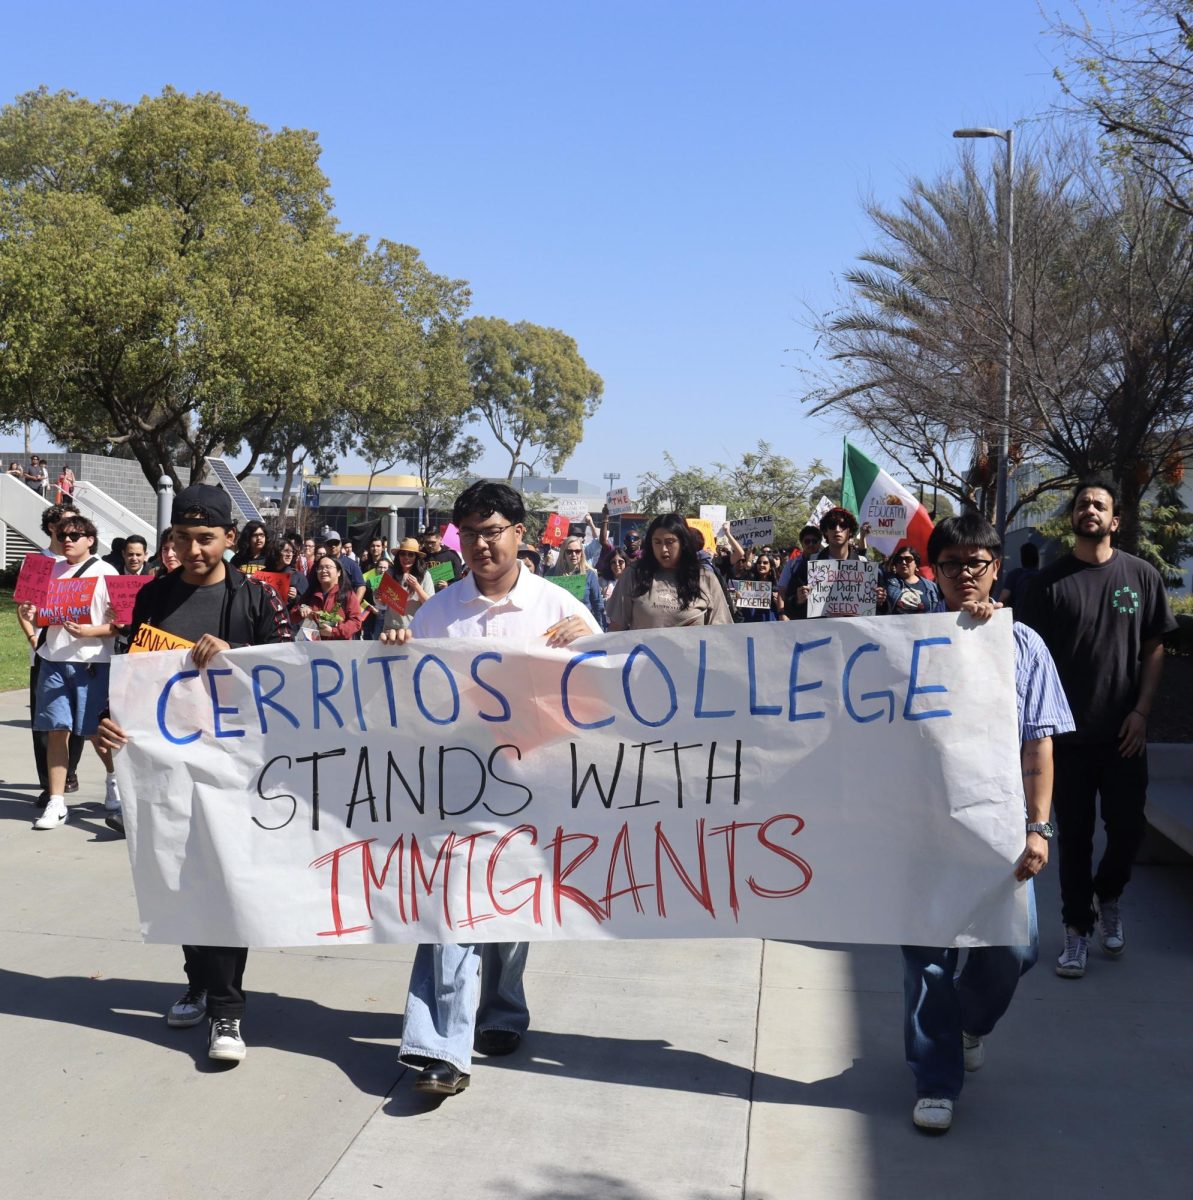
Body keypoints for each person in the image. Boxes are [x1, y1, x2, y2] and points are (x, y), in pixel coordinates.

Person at [380, 481, 600, 1097]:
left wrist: (591, 650)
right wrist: (397, 649)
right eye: (471, 533)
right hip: (454, 783)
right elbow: (406, 697)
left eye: (493, 530)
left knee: (508, 910)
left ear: (519, 535)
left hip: (533, 783)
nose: (482, 544)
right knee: (448, 907)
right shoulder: (438, 612)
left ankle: (502, 1009)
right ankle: (438, 1046)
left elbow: (602, 693)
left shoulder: (561, 610)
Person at [96, 484, 294, 1065]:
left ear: (230, 538)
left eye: (206, 538)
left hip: (235, 769)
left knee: (225, 882)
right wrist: (110, 724)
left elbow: (288, 679)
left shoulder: (255, 599)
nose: (194, 548)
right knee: (181, 876)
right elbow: (133, 674)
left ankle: (227, 1011)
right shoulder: (152, 597)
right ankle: (199, 982)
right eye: (183, 537)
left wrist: (234, 654)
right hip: (168, 766)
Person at [902, 512, 1074, 1134]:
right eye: (952, 564)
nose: (965, 575)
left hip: (998, 829)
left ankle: (969, 1024)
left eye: (976, 562)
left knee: (1015, 951)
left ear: (996, 567)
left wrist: (1038, 828)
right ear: (935, 571)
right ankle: (935, 1077)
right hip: (919, 828)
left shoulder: (1020, 646)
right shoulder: (902, 641)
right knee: (927, 961)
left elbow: (1038, 747)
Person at [1019, 479, 1177, 978]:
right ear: (1074, 517)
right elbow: (1024, 651)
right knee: (1077, 838)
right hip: (1067, 739)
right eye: (1082, 502)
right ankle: (1076, 929)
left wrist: (1142, 712)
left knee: (1128, 830)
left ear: (1114, 520)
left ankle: (1108, 895)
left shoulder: (1141, 576)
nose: (1089, 508)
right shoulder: (1048, 583)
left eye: (1099, 504)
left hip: (1125, 735)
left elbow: (1155, 647)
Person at [17, 514, 120, 830]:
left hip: (92, 662)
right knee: (56, 729)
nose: (68, 540)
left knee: (94, 732)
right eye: (63, 534)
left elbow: (120, 624)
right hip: (54, 659)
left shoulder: (106, 572)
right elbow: (37, 613)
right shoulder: (50, 570)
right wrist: (30, 617)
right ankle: (56, 801)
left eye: (76, 534)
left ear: (91, 539)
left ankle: (115, 778)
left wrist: (89, 632)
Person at [14, 501, 86, 805]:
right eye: (65, 526)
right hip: (44, 654)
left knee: (79, 723)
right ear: (52, 529)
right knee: (45, 724)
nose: (70, 533)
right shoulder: (37, 563)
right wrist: (33, 640)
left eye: (76, 527)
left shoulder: (85, 563)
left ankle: (69, 771)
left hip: (80, 654)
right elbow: (24, 609)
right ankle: (49, 783)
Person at [605, 512, 733, 630]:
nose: (663, 549)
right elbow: (616, 627)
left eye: (670, 542)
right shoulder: (633, 574)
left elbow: (721, 632)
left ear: (683, 543)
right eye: (657, 542)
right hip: (642, 654)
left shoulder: (706, 578)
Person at [783, 507, 883, 620]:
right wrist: (798, 600)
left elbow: (879, 615)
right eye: (832, 525)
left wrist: (879, 601)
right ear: (825, 531)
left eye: (843, 525)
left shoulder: (864, 566)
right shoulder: (809, 565)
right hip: (820, 634)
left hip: (855, 634)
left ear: (850, 531)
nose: (837, 529)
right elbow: (789, 609)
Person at [295, 555, 363, 640]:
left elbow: (356, 622)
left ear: (339, 572)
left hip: (338, 649)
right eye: (320, 568)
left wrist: (333, 631)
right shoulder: (311, 593)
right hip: (312, 648)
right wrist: (302, 608)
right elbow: (293, 616)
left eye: (328, 567)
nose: (324, 570)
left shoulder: (347, 594)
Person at [377, 537, 433, 635]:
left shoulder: (425, 575)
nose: (406, 557)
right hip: (391, 629)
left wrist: (417, 587)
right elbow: (382, 603)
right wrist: (377, 595)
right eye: (402, 554)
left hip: (414, 630)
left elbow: (430, 604)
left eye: (411, 554)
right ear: (398, 556)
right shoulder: (390, 573)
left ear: (416, 557)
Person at [553, 535, 606, 628]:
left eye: (577, 551)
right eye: (569, 551)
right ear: (563, 553)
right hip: (558, 626)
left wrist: (600, 629)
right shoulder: (553, 573)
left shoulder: (590, 575)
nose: (574, 554)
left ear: (582, 553)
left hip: (583, 627)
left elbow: (598, 604)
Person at [884, 545, 943, 615]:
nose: (903, 562)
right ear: (896, 564)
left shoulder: (932, 587)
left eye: (908, 559)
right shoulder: (887, 582)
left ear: (916, 564)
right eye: (899, 560)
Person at [313, 530, 367, 607]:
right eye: (330, 543)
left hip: (344, 605)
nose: (333, 546)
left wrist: (354, 606)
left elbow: (361, 586)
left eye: (336, 543)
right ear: (324, 545)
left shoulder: (352, 564)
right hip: (322, 605)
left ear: (341, 544)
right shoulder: (319, 564)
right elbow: (311, 586)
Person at [778, 525, 824, 594]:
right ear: (801, 543)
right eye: (807, 541)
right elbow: (782, 590)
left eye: (814, 541)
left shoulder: (827, 561)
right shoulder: (792, 563)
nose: (811, 544)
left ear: (820, 542)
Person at [998, 542, 1041, 611]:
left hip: (1019, 618)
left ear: (1022, 558)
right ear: (1037, 558)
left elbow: (1003, 597)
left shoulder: (1015, 574)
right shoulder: (1042, 575)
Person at [420, 526, 464, 590]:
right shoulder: (420, 555)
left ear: (440, 539)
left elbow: (459, 581)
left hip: (444, 595)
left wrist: (448, 585)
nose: (429, 545)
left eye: (433, 542)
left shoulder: (451, 556)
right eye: (427, 542)